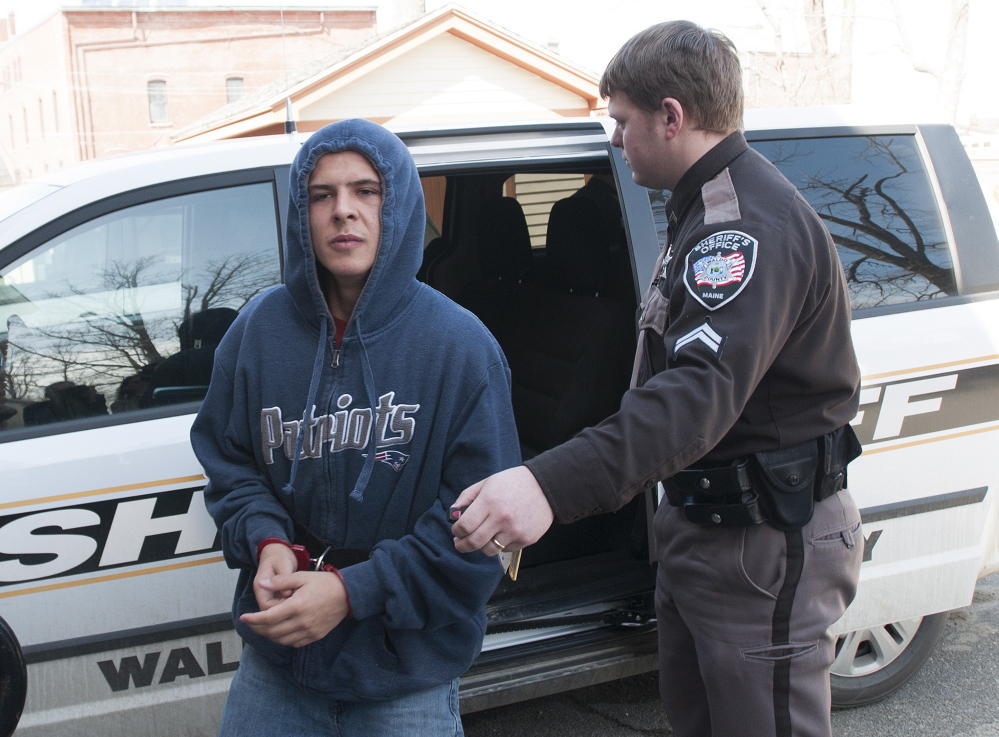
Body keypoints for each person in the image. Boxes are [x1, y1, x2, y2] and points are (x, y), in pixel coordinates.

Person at [451, 20, 864, 737]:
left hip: (759, 538)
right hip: (706, 526)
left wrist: (546, 484)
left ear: (671, 116)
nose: (614, 140)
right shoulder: (701, 208)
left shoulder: (742, 230)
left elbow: (688, 401)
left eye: (621, 121)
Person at [191, 118, 520, 736]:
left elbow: (483, 533)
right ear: (301, 212)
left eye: (366, 191)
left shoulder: (461, 348)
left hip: (405, 677)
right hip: (277, 671)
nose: (343, 211)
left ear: (398, 205)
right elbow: (230, 466)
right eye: (322, 195)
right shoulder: (256, 333)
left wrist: (351, 592)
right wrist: (267, 541)